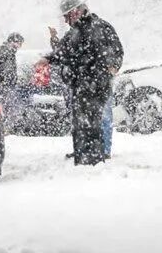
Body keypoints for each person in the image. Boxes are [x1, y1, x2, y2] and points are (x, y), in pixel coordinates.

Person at [39, 0, 123, 166]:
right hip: (80, 86)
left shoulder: (100, 27)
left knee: (95, 121)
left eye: (67, 16)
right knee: (81, 123)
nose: (65, 20)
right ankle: (83, 154)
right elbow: (64, 51)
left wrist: (112, 67)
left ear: (76, 11)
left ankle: (96, 156)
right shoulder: (74, 32)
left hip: (95, 85)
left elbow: (116, 50)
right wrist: (48, 59)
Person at [49, 26, 114, 159]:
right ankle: (83, 148)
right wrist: (54, 39)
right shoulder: (74, 35)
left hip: (99, 84)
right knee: (83, 119)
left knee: (103, 117)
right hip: (81, 85)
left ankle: (104, 150)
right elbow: (62, 51)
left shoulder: (99, 35)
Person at [0, 32, 24, 128]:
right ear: (13, 42)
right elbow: (3, 69)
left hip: (5, 84)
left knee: (7, 107)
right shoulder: (5, 51)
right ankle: (4, 127)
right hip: (4, 85)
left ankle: (4, 126)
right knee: (6, 107)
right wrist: (4, 81)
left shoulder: (7, 51)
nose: (19, 46)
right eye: (19, 43)